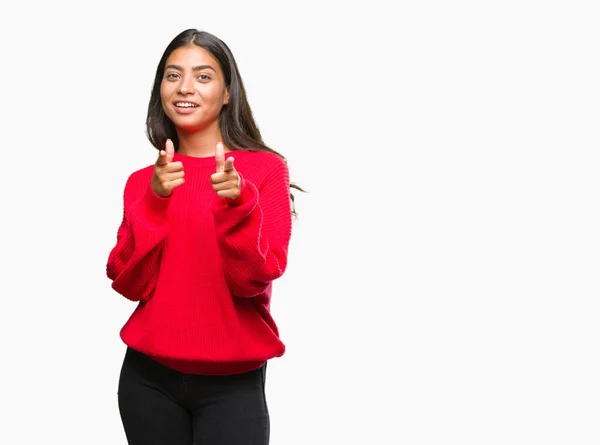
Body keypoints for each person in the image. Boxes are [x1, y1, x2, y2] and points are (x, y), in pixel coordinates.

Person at [106, 28, 299, 445]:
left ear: (228, 93)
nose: (185, 87)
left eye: (204, 76)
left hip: (232, 386)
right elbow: (128, 282)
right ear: (160, 88)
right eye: (173, 75)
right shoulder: (143, 181)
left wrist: (237, 205)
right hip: (146, 381)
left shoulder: (264, 171)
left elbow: (252, 279)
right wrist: (155, 201)